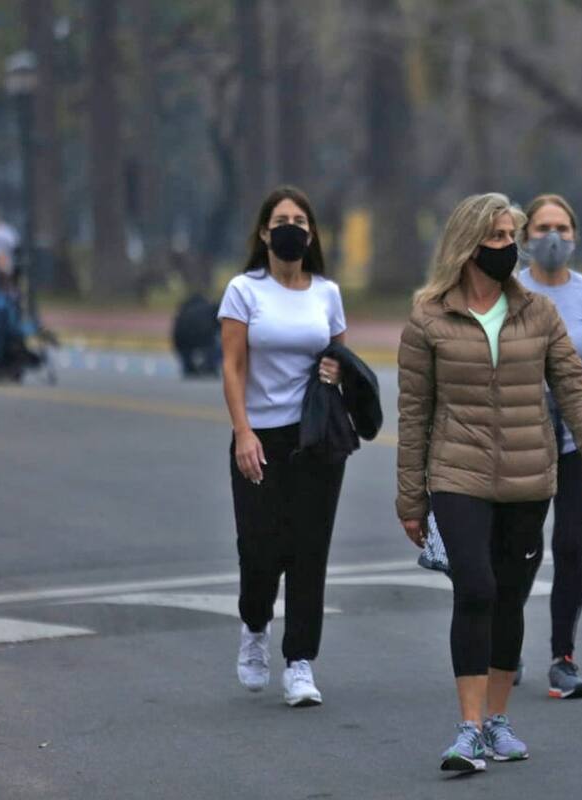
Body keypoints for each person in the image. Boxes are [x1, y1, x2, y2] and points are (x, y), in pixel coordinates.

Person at [397, 192, 582, 772]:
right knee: (474, 589)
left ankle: (497, 719)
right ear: (467, 245)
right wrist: (410, 496)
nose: (507, 248)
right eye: (496, 237)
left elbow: (576, 388)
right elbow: (414, 412)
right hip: (458, 474)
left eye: (509, 237)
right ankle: (467, 729)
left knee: (510, 596)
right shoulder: (428, 317)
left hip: (528, 477)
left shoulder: (538, 313)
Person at [218, 186, 348, 708]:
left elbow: (341, 358)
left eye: (300, 218)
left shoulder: (327, 293)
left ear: (311, 232)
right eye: (281, 219)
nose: (291, 225)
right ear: (265, 232)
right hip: (260, 435)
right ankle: (254, 627)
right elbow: (232, 366)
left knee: (309, 549)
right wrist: (243, 431)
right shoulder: (243, 290)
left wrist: (338, 370)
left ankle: (300, 661)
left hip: (315, 437)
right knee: (259, 548)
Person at [516, 193, 582, 699]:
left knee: (569, 545)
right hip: (521, 441)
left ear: (576, 236)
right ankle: (503, 643)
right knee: (520, 548)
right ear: (523, 237)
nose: (552, 237)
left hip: (579, 440)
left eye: (561, 227)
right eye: (541, 228)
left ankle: (563, 657)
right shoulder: (507, 293)